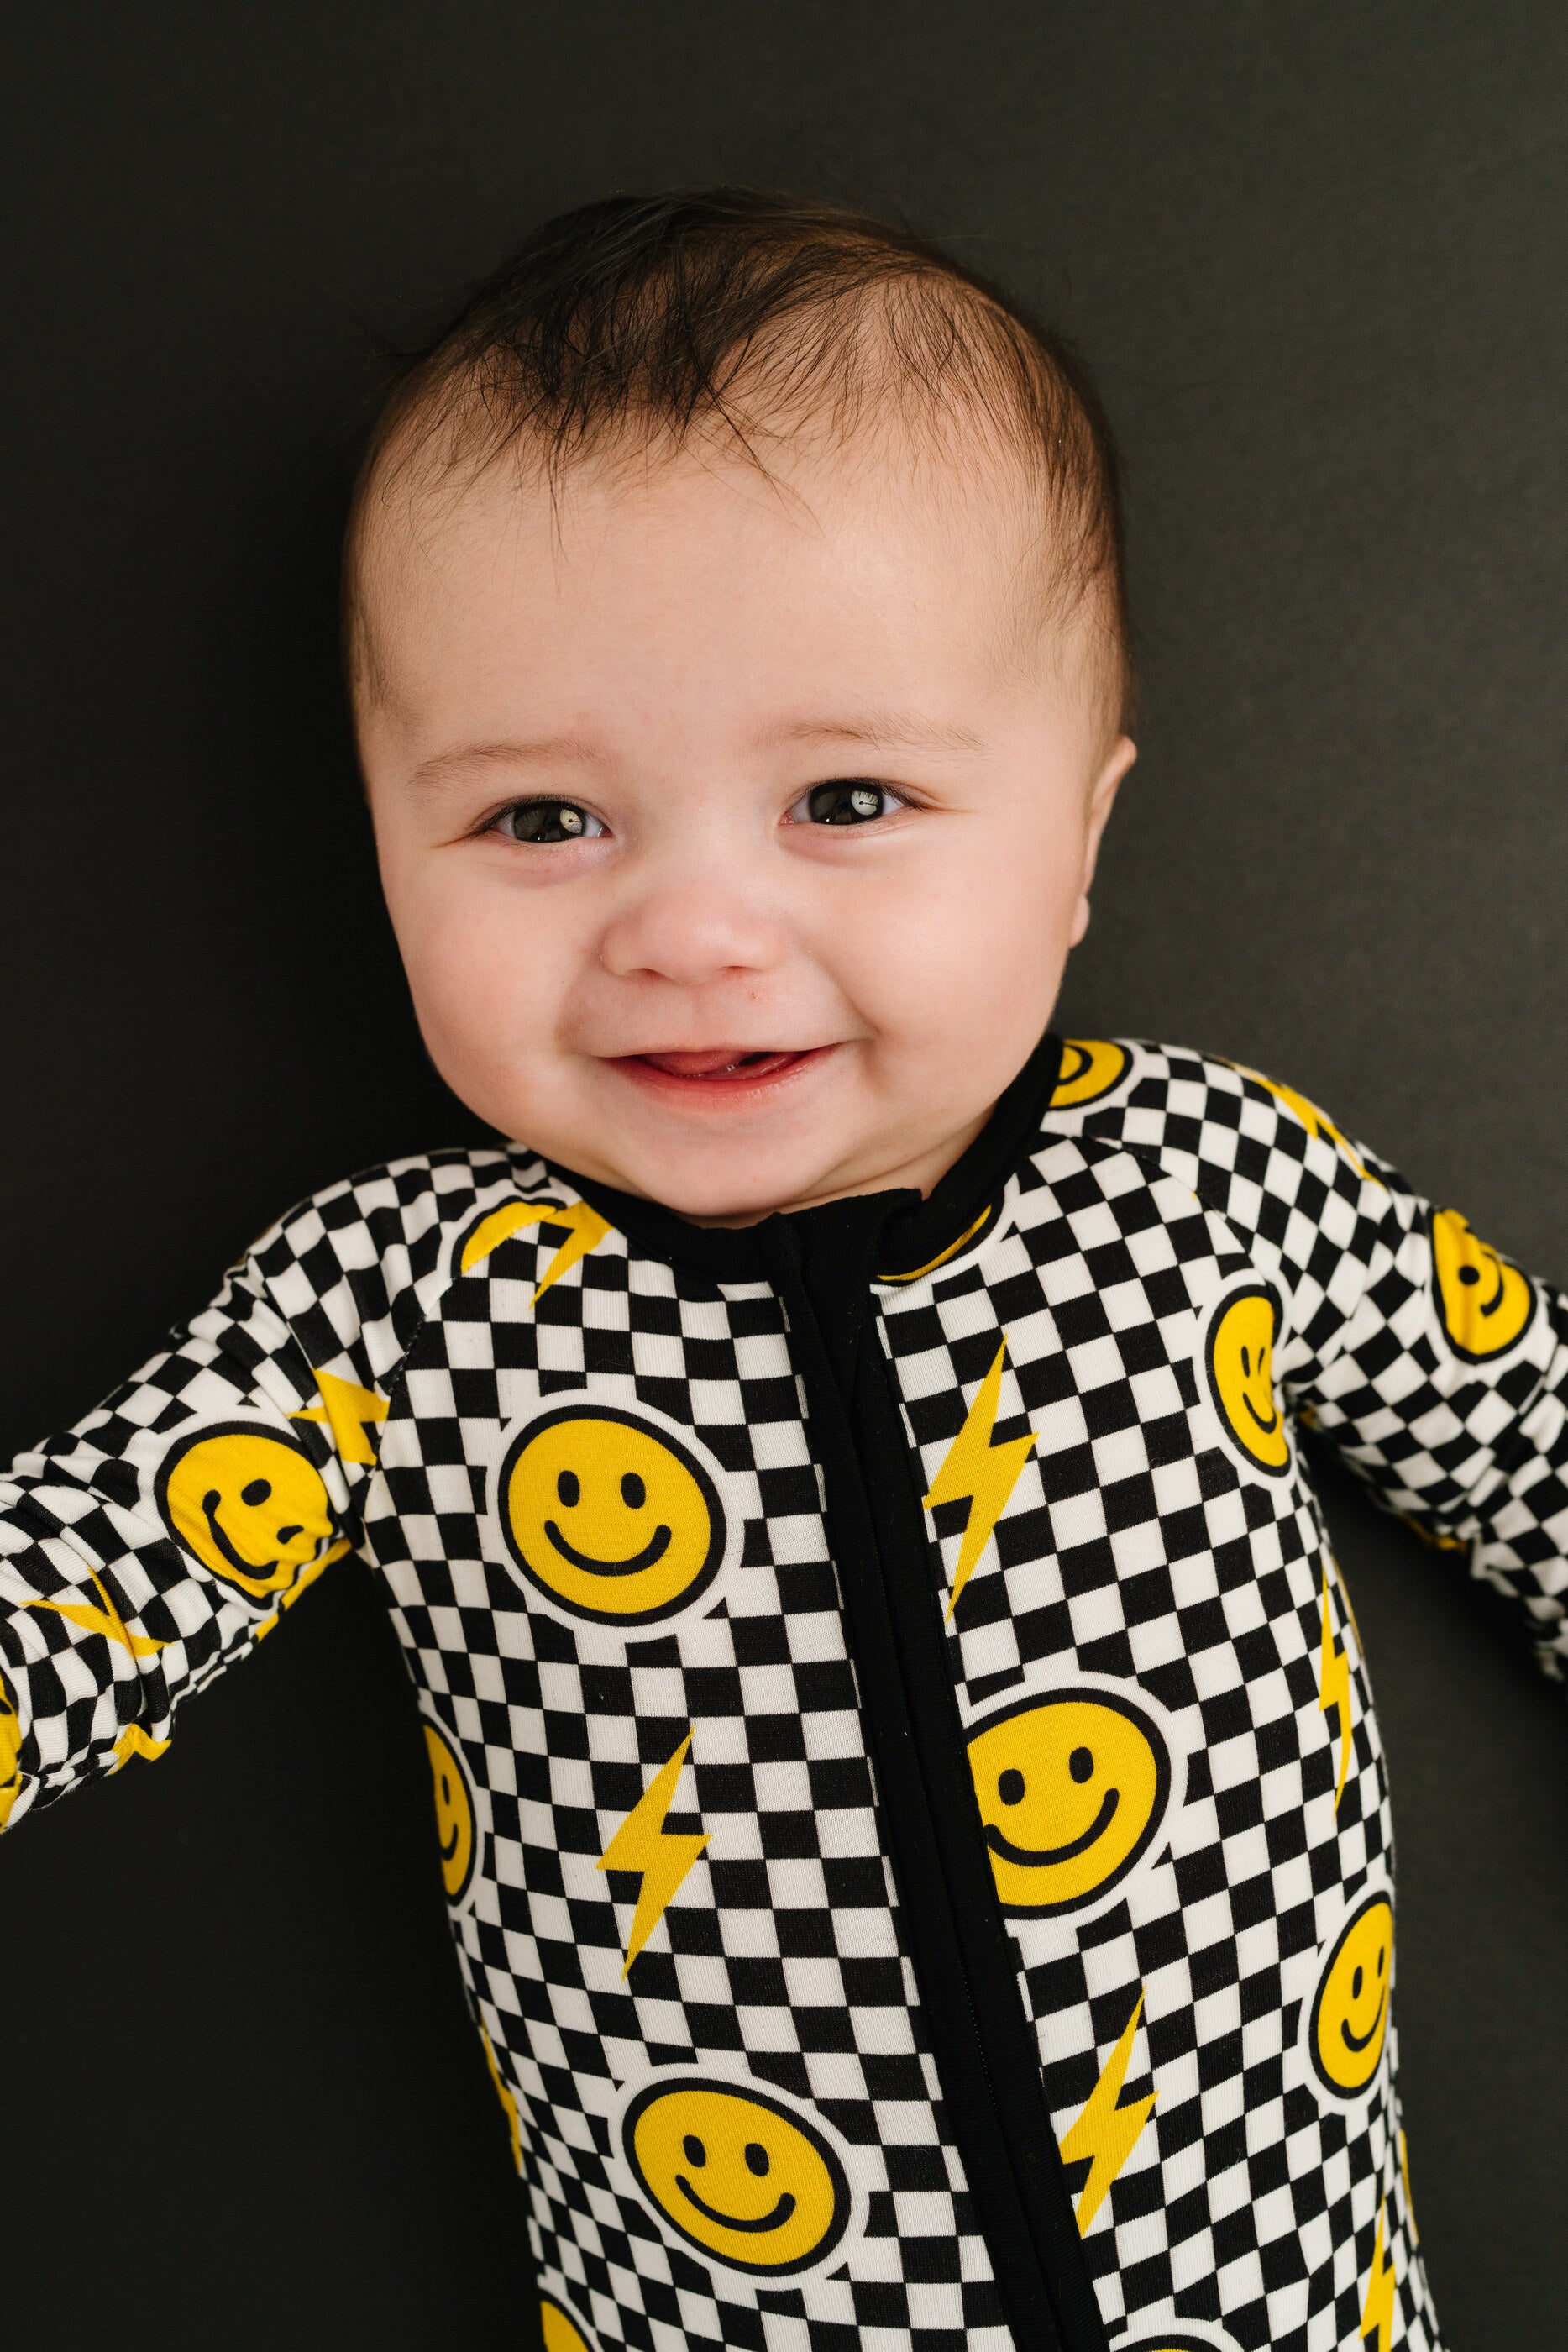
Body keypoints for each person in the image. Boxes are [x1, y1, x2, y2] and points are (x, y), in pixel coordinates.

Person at [1, 187, 1560, 2352]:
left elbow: (1536, 1441)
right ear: (378, 842)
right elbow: (69, 1589)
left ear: (1081, 838)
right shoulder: (398, 1307)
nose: (692, 932)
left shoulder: (1212, 1178)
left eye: (846, 798)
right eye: (543, 822)